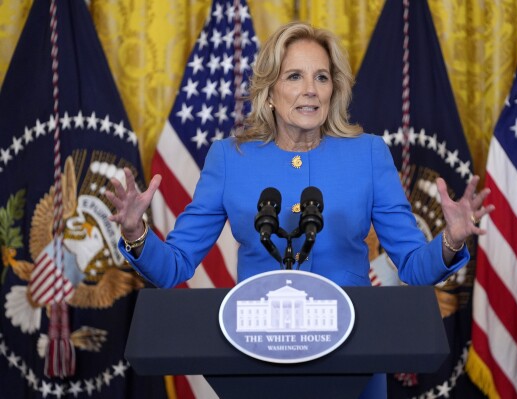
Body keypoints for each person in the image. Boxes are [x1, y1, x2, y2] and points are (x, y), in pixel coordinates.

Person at [106, 21, 493, 399]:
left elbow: (412, 264)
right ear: (270, 91)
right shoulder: (230, 159)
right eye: (294, 76)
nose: (310, 90)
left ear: (333, 89)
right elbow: (174, 265)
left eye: (321, 78)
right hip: (257, 354)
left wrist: (450, 241)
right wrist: (134, 233)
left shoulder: (368, 154)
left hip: (353, 353)